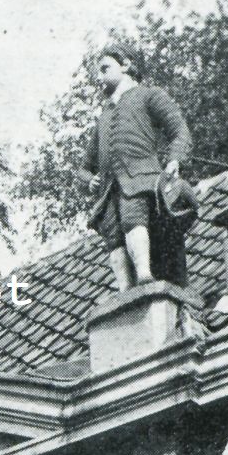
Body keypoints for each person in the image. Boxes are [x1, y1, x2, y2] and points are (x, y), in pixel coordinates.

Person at [79, 42, 193, 290]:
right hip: (110, 190)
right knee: (114, 237)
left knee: (134, 220)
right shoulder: (103, 117)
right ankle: (125, 291)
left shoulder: (149, 95)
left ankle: (145, 274)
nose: (100, 76)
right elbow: (84, 167)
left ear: (126, 65)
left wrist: (174, 159)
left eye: (105, 68)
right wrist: (89, 180)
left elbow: (179, 130)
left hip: (142, 179)